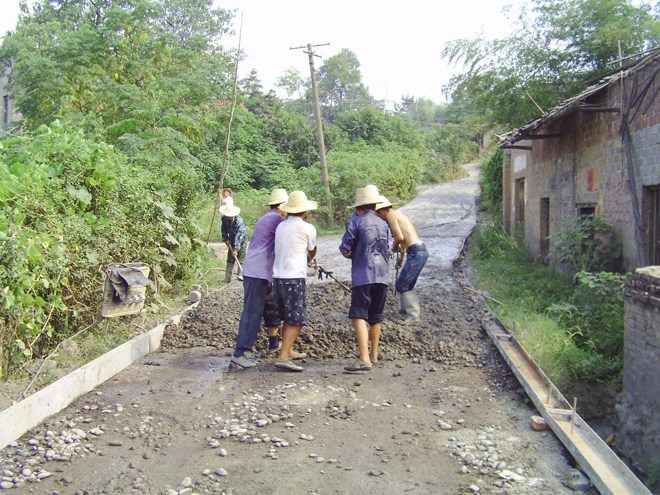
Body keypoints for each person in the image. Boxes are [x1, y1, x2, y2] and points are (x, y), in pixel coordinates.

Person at [230, 188, 290, 368]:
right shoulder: (277, 220)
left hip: (261, 271)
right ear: (282, 207)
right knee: (253, 311)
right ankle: (240, 352)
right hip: (258, 272)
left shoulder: (267, 217)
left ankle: (273, 343)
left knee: (270, 307)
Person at [339, 187, 390, 372]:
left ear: (359, 208)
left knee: (358, 314)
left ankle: (364, 359)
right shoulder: (383, 223)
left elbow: (345, 249)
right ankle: (374, 355)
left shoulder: (355, 222)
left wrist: (354, 255)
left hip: (363, 274)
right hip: (383, 275)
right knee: (376, 316)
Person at [272, 191, 318, 372]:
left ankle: (288, 350)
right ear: (304, 211)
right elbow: (312, 250)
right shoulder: (307, 228)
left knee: (286, 317)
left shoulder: (281, 227)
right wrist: (310, 256)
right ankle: (283, 357)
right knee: (296, 319)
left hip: (278, 277)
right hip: (294, 277)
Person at [375, 196, 429, 325]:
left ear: (382, 211)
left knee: (402, 284)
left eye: (378, 214)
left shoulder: (390, 215)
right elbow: (405, 243)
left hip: (416, 252)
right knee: (408, 284)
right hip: (419, 250)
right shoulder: (398, 214)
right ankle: (405, 310)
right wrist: (400, 260)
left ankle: (414, 316)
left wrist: (392, 250)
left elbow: (399, 237)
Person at [219, 196, 247, 283]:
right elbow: (223, 229)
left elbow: (239, 237)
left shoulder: (239, 222)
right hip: (231, 239)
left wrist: (235, 249)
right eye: (228, 216)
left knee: (240, 259)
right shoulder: (224, 219)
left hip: (241, 242)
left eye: (231, 216)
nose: (229, 218)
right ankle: (227, 278)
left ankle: (240, 277)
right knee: (230, 259)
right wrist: (226, 239)